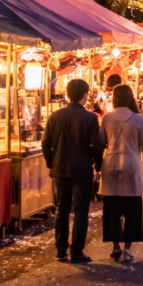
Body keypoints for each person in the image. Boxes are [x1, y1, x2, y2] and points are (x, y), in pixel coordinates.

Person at [42, 78, 104, 263]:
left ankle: (61, 250)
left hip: (60, 169)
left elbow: (46, 143)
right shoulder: (90, 117)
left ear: (68, 95)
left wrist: (50, 163)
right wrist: (98, 166)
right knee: (80, 211)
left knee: (61, 209)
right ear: (85, 95)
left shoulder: (55, 116)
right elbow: (96, 145)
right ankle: (76, 251)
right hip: (82, 169)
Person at [99, 85, 143, 262]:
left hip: (111, 165)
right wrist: (141, 159)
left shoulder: (107, 117)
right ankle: (127, 249)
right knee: (132, 209)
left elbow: (101, 142)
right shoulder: (137, 118)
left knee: (112, 209)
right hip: (132, 166)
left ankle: (115, 246)